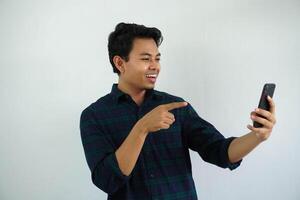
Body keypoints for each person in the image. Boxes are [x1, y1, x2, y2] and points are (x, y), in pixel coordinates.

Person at [79, 22, 276, 200]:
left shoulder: (176, 107)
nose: (155, 66)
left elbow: (220, 152)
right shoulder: (94, 116)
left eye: (157, 58)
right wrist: (141, 129)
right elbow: (107, 180)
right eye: (146, 59)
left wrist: (257, 136)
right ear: (120, 63)